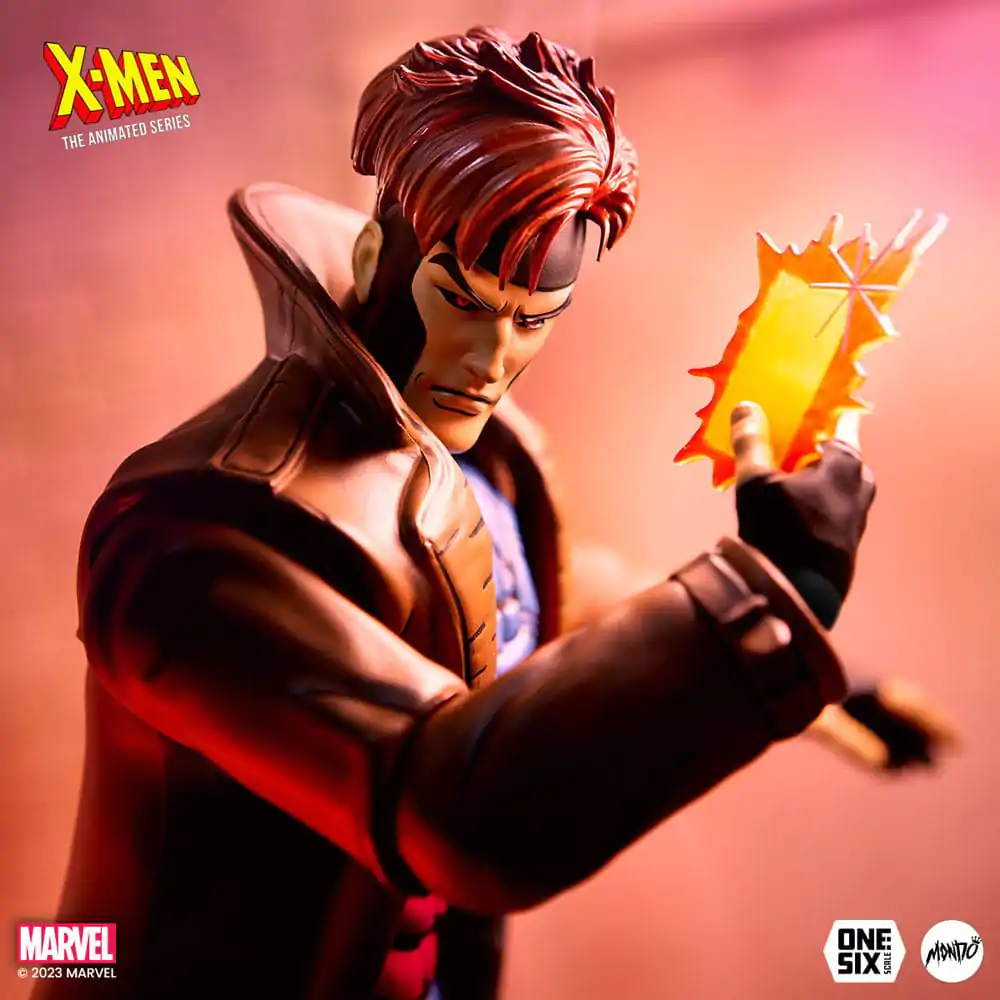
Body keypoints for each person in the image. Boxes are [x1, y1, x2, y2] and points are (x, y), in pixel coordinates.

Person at [40, 26, 950, 1000]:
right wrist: (770, 597)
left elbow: (529, 593)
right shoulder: (194, 530)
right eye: (461, 302)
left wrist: (800, 663)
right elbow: (449, 813)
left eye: (533, 319)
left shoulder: (468, 456)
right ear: (372, 255)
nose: (489, 361)